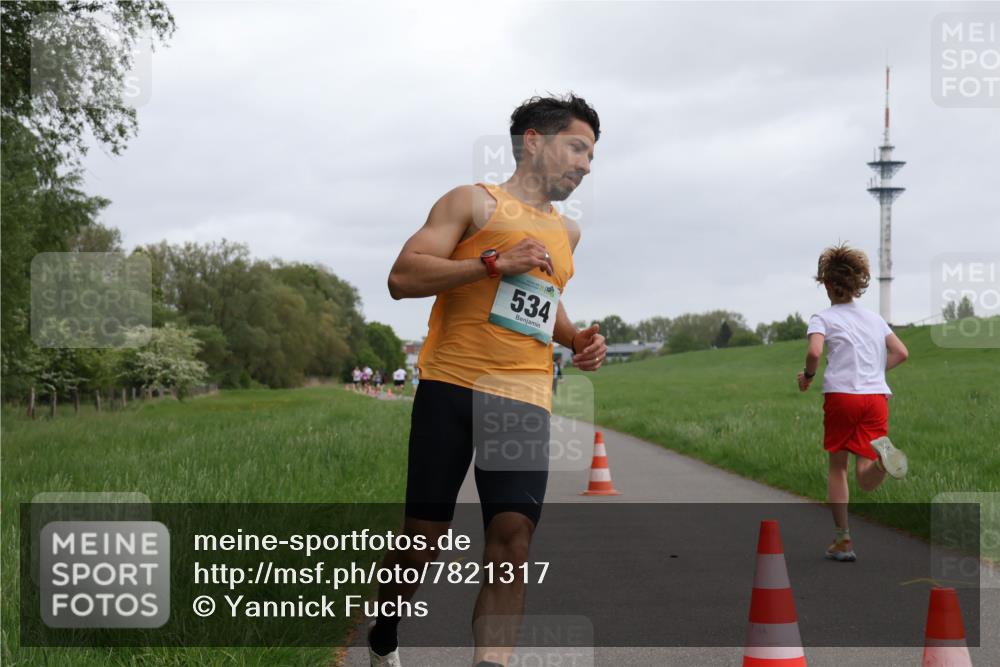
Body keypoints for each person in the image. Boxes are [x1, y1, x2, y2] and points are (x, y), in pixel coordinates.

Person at [370, 94, 607, 667]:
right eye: (577, 147)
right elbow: (402, 277)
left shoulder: (567, 234)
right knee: (422, 543)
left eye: (593, 156)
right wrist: (491, 262)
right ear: (534, 141)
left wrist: (576, 339)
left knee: (512, 542)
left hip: (523, 397)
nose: (585, 165)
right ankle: (384, 631)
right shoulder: (472, 203)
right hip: (450, 387)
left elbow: (542, 306)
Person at [798, 243, 910, 562]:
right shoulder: (875, 319)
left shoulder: (823, 317)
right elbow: (902, 352)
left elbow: (815, 352)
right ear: (857, 283)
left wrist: (807, 375)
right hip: (875, 398)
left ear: (828, 285)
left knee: (838, 467)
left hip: (843, 397)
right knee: (865, 473)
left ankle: (843, 540)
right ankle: (882, 462)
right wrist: (876, 371)